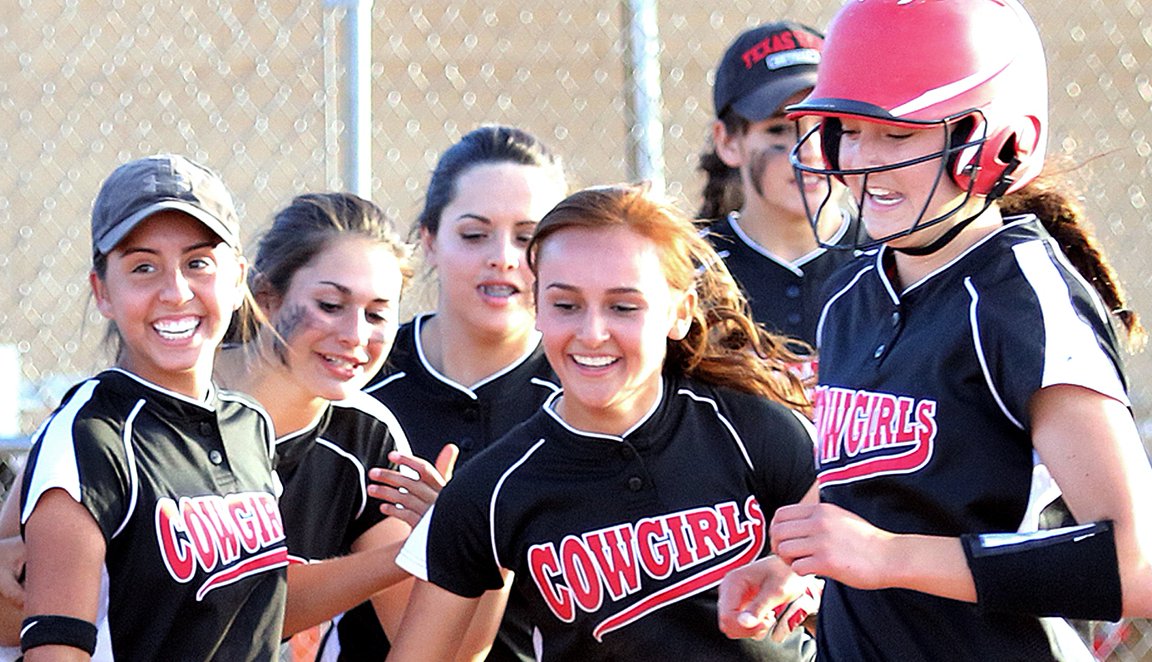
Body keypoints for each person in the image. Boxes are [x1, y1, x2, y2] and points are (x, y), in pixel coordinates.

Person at [719, 0, 1152, 659]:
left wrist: (891, 558)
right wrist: (797, 566)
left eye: (897, 135)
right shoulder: (853, 288)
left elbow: (1139, 571)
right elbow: (872, 470)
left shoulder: (1021, 299)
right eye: (846, 128)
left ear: (997, 143)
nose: (859, 160)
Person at [387, 183, 819, 661]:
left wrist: (807, 579)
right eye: (566, 305)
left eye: (623, 306)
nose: (592, 334)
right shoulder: (494, 487)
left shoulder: (753, 432)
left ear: (680, 313)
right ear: (537, 309)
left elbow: (866, 579)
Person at [18, 154, 286, 660]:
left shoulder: (249, 425)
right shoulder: (91, 437)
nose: (175, 292)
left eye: (198, 263)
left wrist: (414, 552)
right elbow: (56, 650)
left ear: (236, 280)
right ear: (102, 292)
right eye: (143, 267)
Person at [324, 124, 568, 661]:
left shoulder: (583, 388)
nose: (503, 257)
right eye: (475, 234)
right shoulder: (363, 378)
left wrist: (471, 525)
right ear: (430, 240)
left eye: (527, 237)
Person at [213, 193, 451, 645]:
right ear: (266, 298)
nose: (356, 335)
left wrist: (472, 542)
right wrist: (409, 552)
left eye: (377, 313)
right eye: (330, 305)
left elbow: (421, 645)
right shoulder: (179, 403)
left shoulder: (365, 434)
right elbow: (222, 616)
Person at [698, 21, 854, 350]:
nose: (809, 151)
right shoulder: (691, 269)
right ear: (727, 141)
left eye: (827, 124)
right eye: (779, 129)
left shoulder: (893, 258)